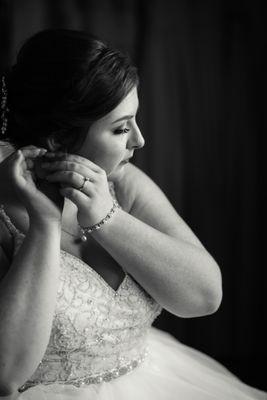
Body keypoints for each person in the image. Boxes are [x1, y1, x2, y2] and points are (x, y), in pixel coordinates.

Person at [0, 29, 265, 400]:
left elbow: (204, 297)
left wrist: (107, 215)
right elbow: (5, 374)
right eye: (121, 128)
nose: (139, 140)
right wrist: (44, 226)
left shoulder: (122, 182)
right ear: (59, 139)